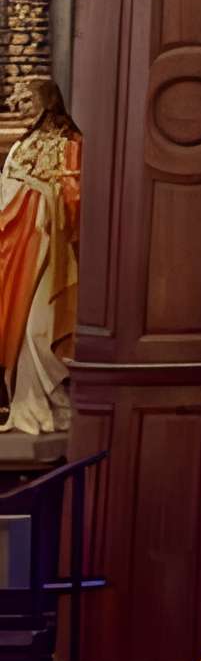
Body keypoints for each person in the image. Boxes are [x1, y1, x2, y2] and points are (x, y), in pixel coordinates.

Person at [0, 77, 81, 436]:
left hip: (55, 252)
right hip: (20, 247)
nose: (21, 107)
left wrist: (40, 194)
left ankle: (54, 406)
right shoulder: (21, 146)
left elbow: (77, 193)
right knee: (20, 331)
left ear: (48, 101)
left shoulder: (71, 144)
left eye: (27, 99)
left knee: (39, 331)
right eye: (17, 102)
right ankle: (25, 407)